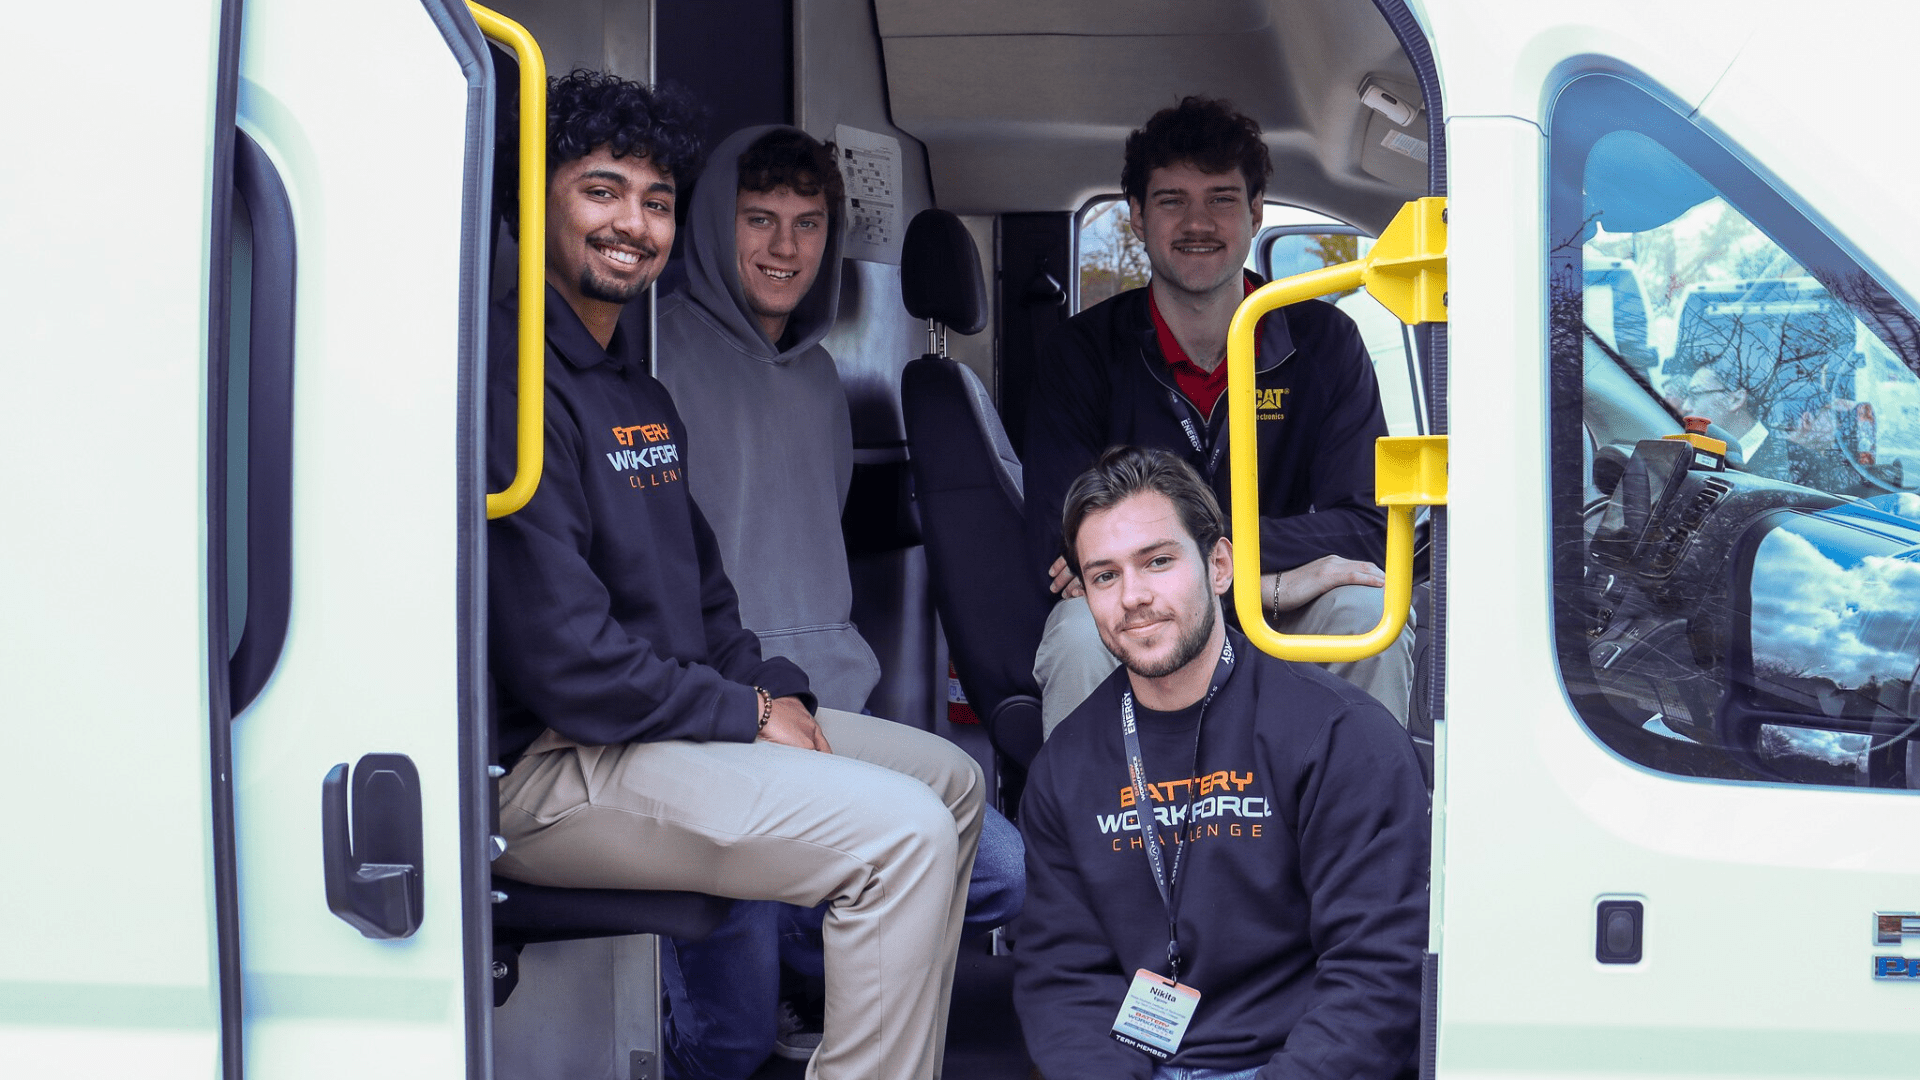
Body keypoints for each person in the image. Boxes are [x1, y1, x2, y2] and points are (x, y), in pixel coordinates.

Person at [485, 71, 984, 1080]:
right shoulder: (510, 386)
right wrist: (746, 715)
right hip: (543, 767)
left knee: (953, 783)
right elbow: (568, 667)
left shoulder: (635, 391)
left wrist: (776, 692)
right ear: (533, 205)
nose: (633, 224)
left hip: (651, 729)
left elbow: (710, 600)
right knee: (904, 837)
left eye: (656, 201)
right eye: (601, 191)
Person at [650, 125, 1024, 1073]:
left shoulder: (820, 379)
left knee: (1001, 873)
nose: (786, 246)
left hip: (828, 720)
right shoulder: (654, 359)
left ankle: (801, 957)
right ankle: (724, 995)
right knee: (729, 1045)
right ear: (712, 224)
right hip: (721, 732)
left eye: (808, 223)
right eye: (760, 219)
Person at [1013, 446, 1428, 1080]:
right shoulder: (1063, 769)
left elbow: (1377, 972)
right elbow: (1062, 980)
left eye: (1158, 561)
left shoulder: (1341, 737)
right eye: (1104, 576)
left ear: (1220, 566)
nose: (1133, 597)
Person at [1023, 96, 1413, 737]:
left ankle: (1360, 804)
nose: (1197, 222)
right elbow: (1066, 548)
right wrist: (1268, 579)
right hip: (1151, 610)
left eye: (1222, 199)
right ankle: (1092, 808)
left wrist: (1168, 553)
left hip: (1281, 616)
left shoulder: (1324, 341)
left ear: (1256, 212)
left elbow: (1366, 530)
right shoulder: (1081, 352)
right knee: (1076, 630)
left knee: (1366, 609)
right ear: (1137, 215)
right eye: (1172, 200)